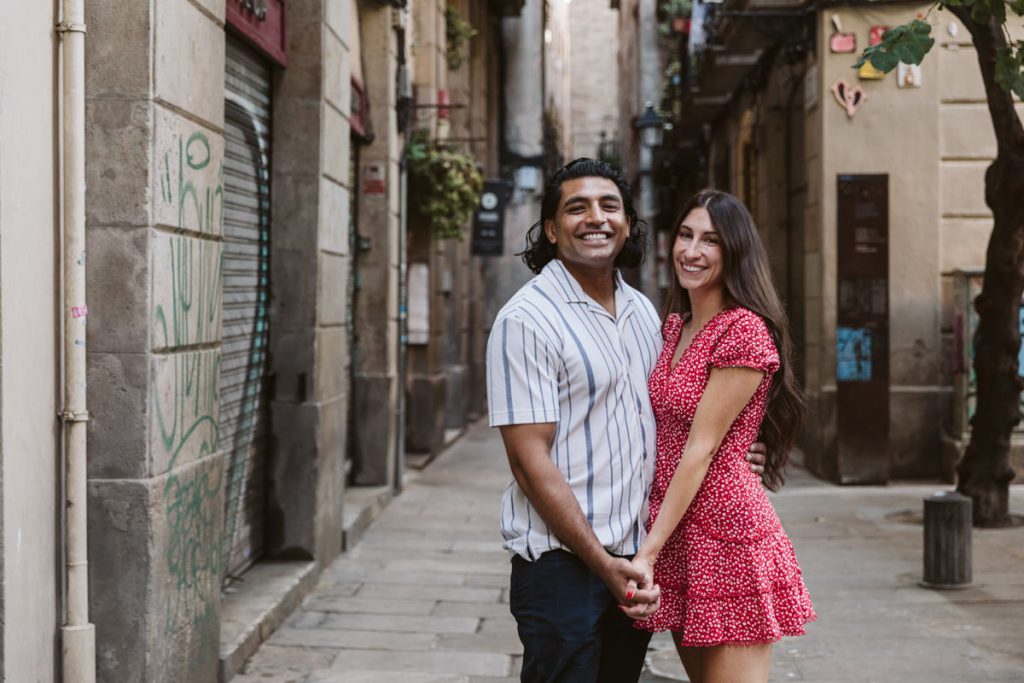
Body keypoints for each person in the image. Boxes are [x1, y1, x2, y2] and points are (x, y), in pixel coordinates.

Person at [485, 159, 767, 683]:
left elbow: (681, 416)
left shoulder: (646, 315)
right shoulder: (525, 320)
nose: (596, 218)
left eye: (609, 205)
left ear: (628, 223)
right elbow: (529, 463)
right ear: (551, 228)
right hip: (563, 566)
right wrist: (602, 563)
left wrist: (739, 445)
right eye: (577, 207)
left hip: (635, 563)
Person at [632, 190, 816, 683]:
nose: (692, 251)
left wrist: (646, 552)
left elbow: (703, 445)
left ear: (734, 251)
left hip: (725, 531)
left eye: (710, 240)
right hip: (679, 530)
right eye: (686, 235)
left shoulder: (743, 330)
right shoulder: (674, 327)